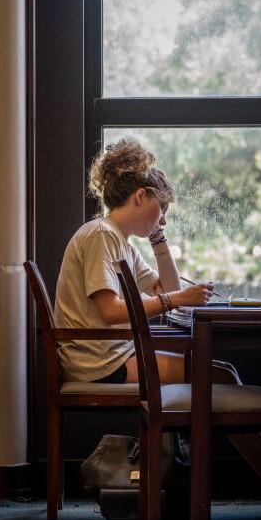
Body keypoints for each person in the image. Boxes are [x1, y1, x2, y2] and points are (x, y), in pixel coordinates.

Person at [53, 138, 213, 384]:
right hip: (98, 364)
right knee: (216, 375)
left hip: (114, 355)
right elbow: (110, 311)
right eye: (161, 208)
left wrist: (158, 238)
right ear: (140, 196)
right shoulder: (101, 235)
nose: (163, 219)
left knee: (218, 371)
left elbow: (169, 290)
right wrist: (177, 300)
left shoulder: (120, 242)